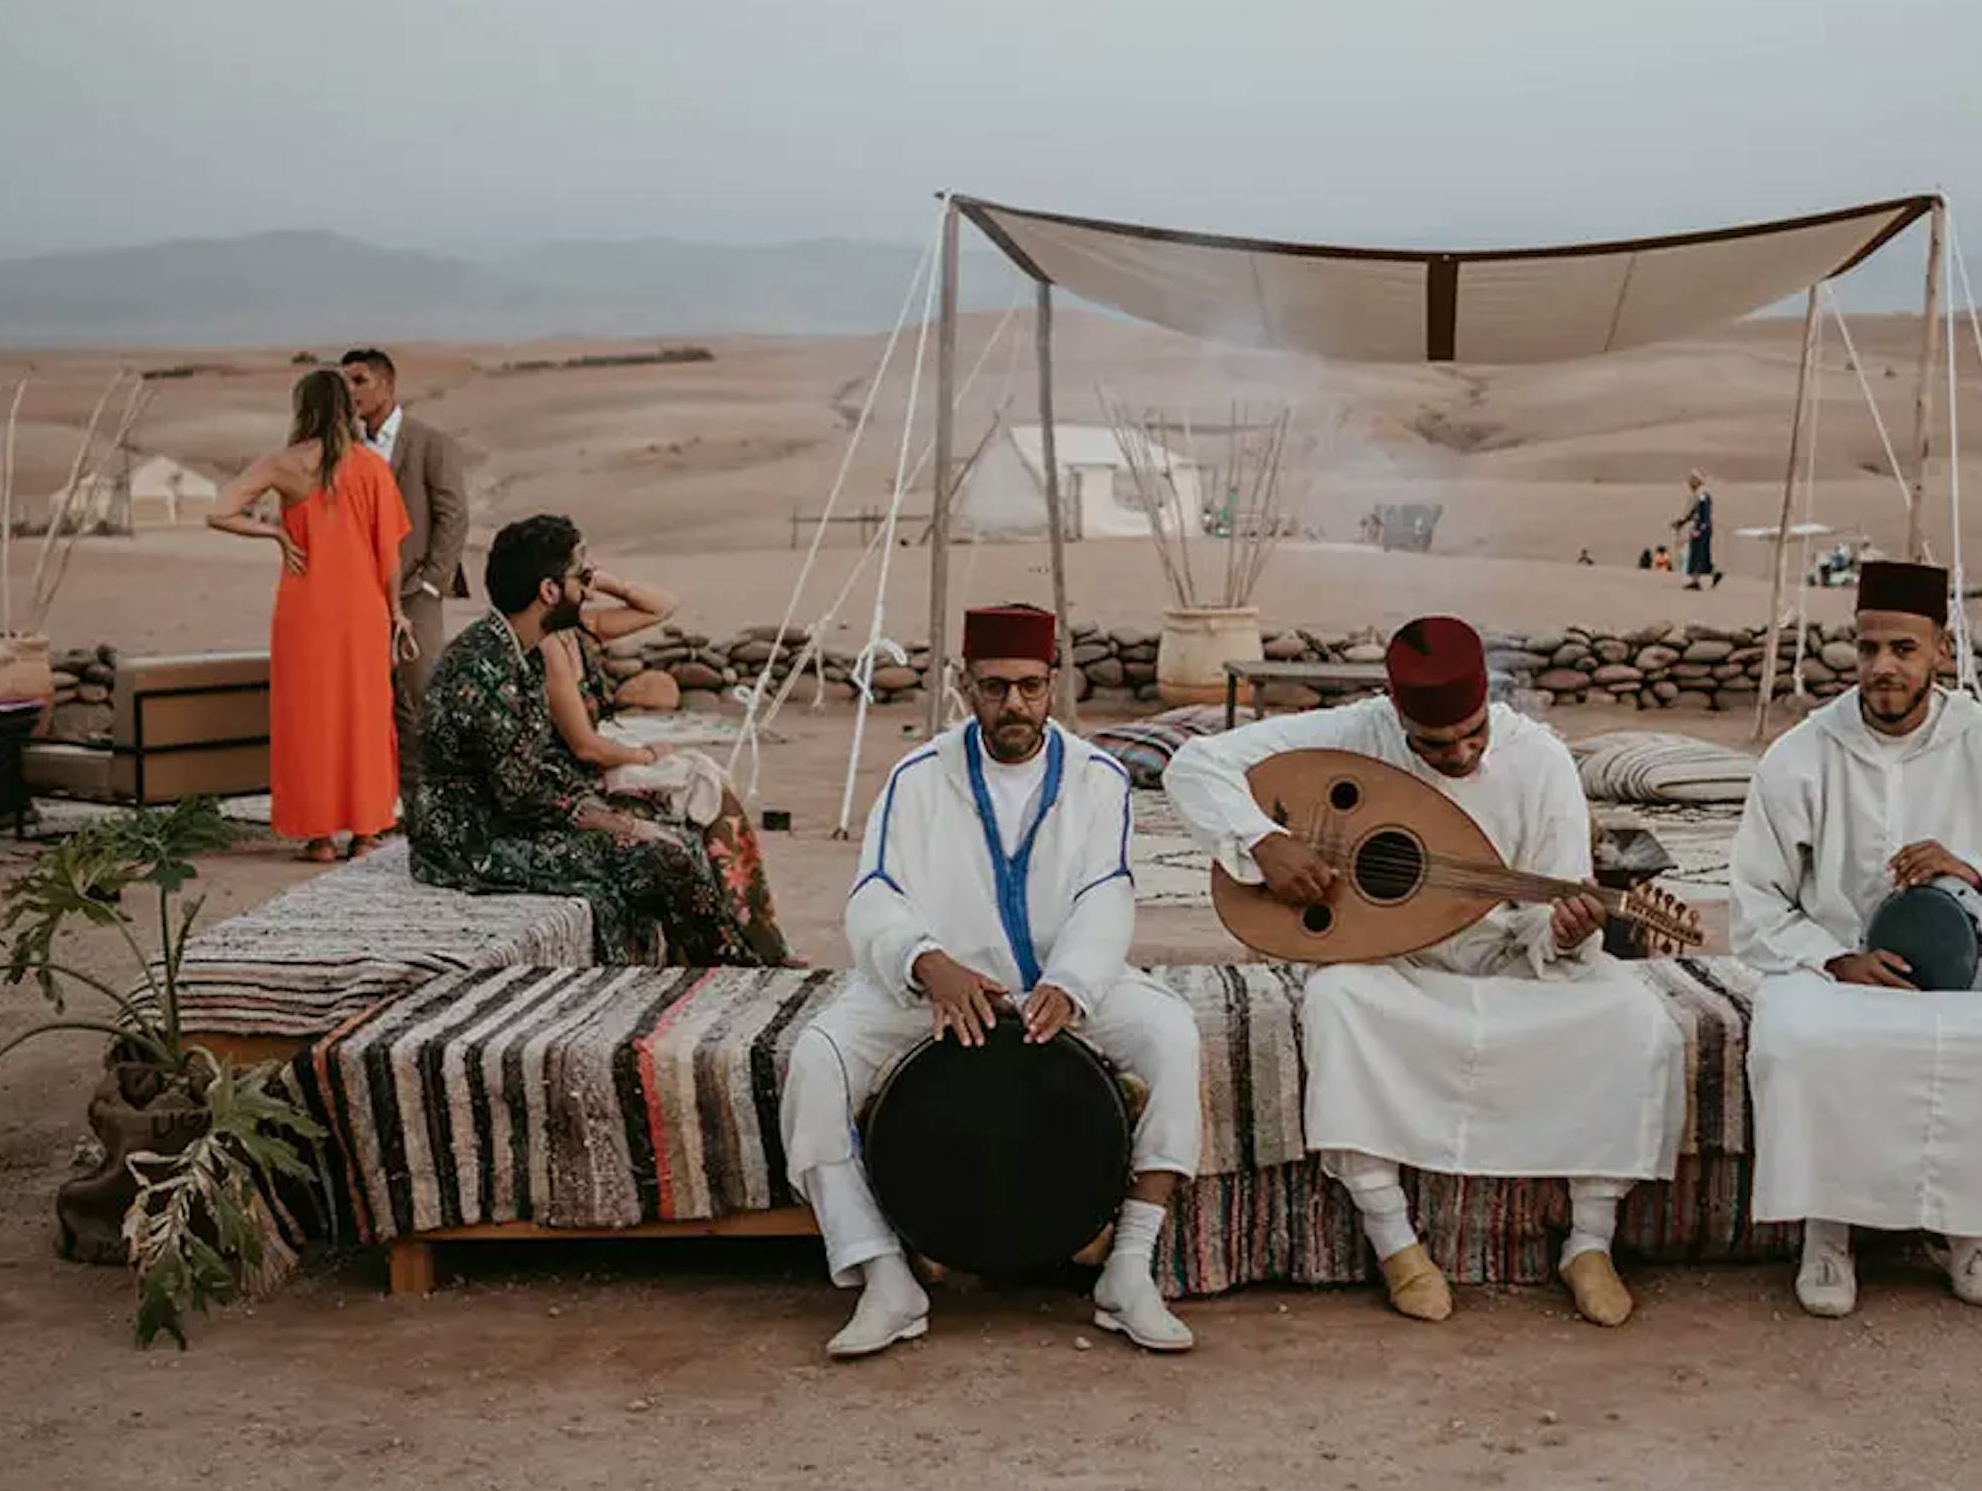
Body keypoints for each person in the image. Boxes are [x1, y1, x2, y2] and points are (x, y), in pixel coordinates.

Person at [1166, 615, 1682, 1328]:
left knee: (1637, 1017)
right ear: (1396, 711)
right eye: (1435, 744)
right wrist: (1264, 841)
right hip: (1397, 965)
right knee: (1336, 1000)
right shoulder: (1357, 731)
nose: (1461, 752)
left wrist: (1563, 932)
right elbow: (1193, 765)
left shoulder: (1542, 761)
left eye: (1474, 734)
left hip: (1510, 967)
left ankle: (1589, 1243)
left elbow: (1550, 915)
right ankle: (1398, 1245)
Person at [780, 607, 1201, 1360]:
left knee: (1172, 1035)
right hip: (936, 988)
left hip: (1062, 988)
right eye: (997, 686)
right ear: (964, 685)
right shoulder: (917, 778)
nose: (1015, 704)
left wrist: (1072, 981)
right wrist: (926, 961)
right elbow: (874, 893)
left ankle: (1130, 1265)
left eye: (1031, 687)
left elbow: (1107, 894)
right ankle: (885, 1275)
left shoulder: (1097, 778)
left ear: (1054, 685)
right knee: (817, 1059)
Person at [1730, 560, 1982, 1318]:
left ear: (1942, 652)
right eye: (1869, 648)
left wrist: (1979, 871)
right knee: (1793, 1043)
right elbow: (1753, 900)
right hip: (1836, 973)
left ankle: (1966, 1225)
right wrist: (1834, 958)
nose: (1882, 667)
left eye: (1904, 649)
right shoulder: (1804, 753)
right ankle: (1827, 1228)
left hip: (1970, 979)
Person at [409, 514, 764, 962]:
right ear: (549, 591)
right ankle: (731, 973)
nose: (588, 589)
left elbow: (537, 766)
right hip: (469, 844)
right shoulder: (483, 670)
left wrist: (612, 814)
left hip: (504, 820)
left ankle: (710, 968)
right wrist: (623, 824)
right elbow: (523, 795)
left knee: (673, 842)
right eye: (581, 577)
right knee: (660, 857)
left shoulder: (522, 652)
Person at [537, 560, 786, 964]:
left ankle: (758, 936)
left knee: (711, 786)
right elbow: (585, 748)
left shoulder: (581, 631)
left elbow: (663, 607)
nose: (587, 585)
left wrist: (609, 582)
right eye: (580, 576)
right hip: (580, 778)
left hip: (603, 762)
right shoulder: (551, 648)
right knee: (695, 800)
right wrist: (645, 755)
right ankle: (737, 945)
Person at [210, 369, 408, 863]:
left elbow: (220, 511)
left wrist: (276, 534)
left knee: (311, 716)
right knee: (364, 715)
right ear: (346, 407)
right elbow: (391, 556)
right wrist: (397, 613)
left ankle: (319, 837)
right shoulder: (370, 467)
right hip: (363, 609)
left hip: (305, 608)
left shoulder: (284, 464)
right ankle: (365, 833)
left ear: (304, 408)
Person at [340, 346, 470, 791]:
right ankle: (388, 796)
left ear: (387, 385)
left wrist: (434, 582)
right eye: (345, 382)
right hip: (361, 592)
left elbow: (453, 516)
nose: (350, 391)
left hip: (416, 591)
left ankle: (437, 796)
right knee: (372, 699)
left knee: (422, 694)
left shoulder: (430, 443)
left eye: (359, 381)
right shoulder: (347, 449)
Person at [1676, 470, 1718, 590]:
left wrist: (1700, 528)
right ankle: (1711, 575)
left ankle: (1696, 580)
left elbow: (1705, 514)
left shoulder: (1702, 495)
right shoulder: (1697, 496)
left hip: (1702, 529)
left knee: (1698, 554)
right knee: (1701, 555)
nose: (1690, 483)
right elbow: (1692, 512)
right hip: (1698, 528)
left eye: (1692, 480)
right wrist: (1681, 522)